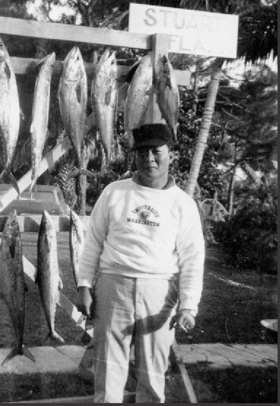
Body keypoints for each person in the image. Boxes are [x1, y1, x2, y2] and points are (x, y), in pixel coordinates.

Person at [76, 123, 205, 403]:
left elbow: (193, 259)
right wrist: (85, 285)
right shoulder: (114, 192)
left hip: (159, 295)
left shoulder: (183, 204)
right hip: (112, 289)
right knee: (108, 376)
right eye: (142, 152)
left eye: (156, 151)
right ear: (134, 156)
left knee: (152, 377)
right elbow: (93, 243)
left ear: (171, 154)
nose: (149, 159)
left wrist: (188, 306)